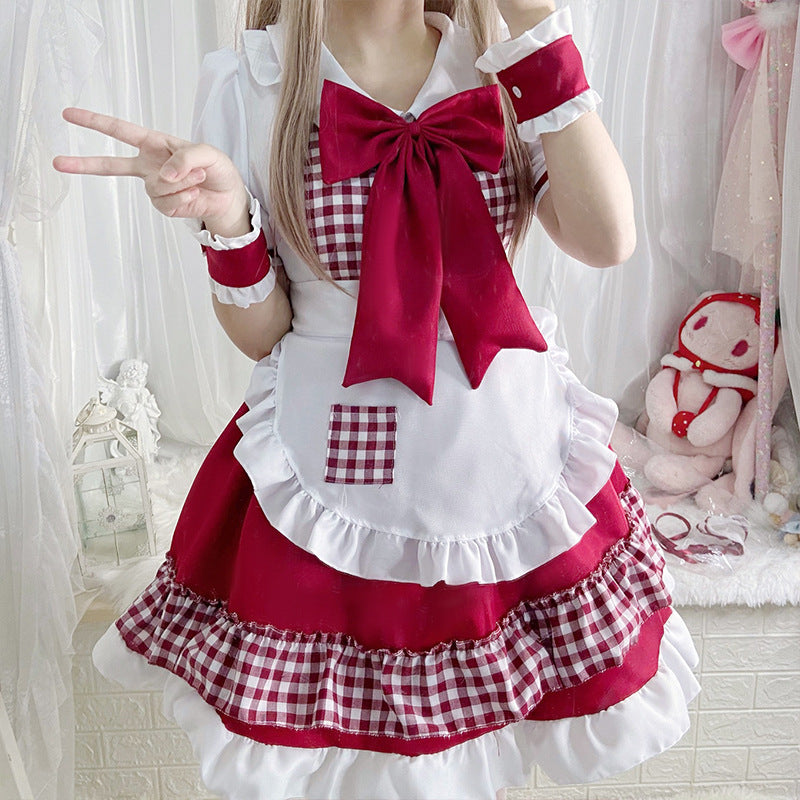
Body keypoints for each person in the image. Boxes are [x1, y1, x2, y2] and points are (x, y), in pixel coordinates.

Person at [54, 1, 702, 798]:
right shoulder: (248, 83)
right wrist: (227, 218)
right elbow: (263, 334)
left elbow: (606, 239)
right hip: (333, 469)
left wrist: (536, 24)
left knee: (490, 746)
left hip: (503, 456)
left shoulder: (502, 65)